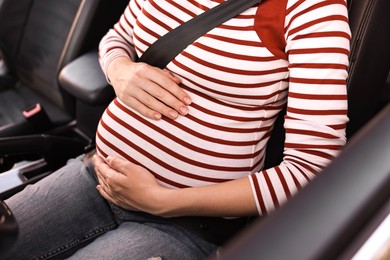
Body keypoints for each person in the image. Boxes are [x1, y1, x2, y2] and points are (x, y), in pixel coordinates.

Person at [3, 0, 351, 259]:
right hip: (98, 175)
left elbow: (313, 169)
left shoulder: (309, 8)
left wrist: (166, 202)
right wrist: (120, 70)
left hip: (185, 222)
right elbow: (117, 37)